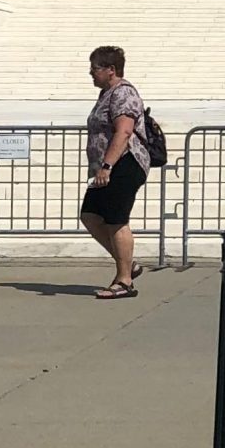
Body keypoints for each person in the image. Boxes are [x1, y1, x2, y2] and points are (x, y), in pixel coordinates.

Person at [78, 44, 151, 299]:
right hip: (106, 167)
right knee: (90, 214)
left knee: (116, 219)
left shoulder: (123, 93)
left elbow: (124, 131)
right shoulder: (107, 94)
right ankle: (128, 264)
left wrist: (107, 166)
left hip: (124, 164)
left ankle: (124, 281)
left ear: (111, 70)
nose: (90, 73)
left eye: (94, 68)